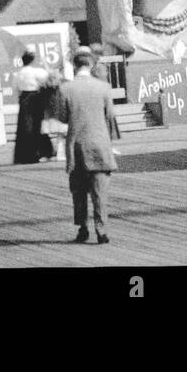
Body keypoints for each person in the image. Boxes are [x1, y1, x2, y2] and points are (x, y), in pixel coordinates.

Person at [56, 50, 119, 244]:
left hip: (77, 146)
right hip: (99, 144)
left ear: (74, 66)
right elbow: (110, 115)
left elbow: (62, 117)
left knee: (79, 191)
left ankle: (82, 228)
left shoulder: (65, 89)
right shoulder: (104, 87)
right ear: (91, 65)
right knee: (100, 192)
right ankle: (102, 230)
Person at [12, 49, 54, 164]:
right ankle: (40, 152)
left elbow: (15, 89)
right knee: (36, 126)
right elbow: (50, 77)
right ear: (32, 60)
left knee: (24, 127)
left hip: (23, 99)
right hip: (35, 99)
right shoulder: (36, 72)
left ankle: (24, 155)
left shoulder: (18, 74)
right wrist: (46, 65)